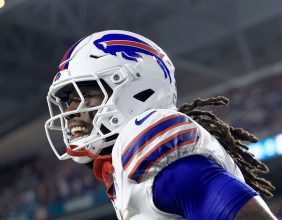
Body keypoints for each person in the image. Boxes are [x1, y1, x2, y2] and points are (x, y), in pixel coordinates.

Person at [44, 30, 277, 219]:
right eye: (67, 102)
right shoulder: (122, 174)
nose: (69, 112)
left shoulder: (154, 150)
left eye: (82, 97)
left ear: (135, 92)